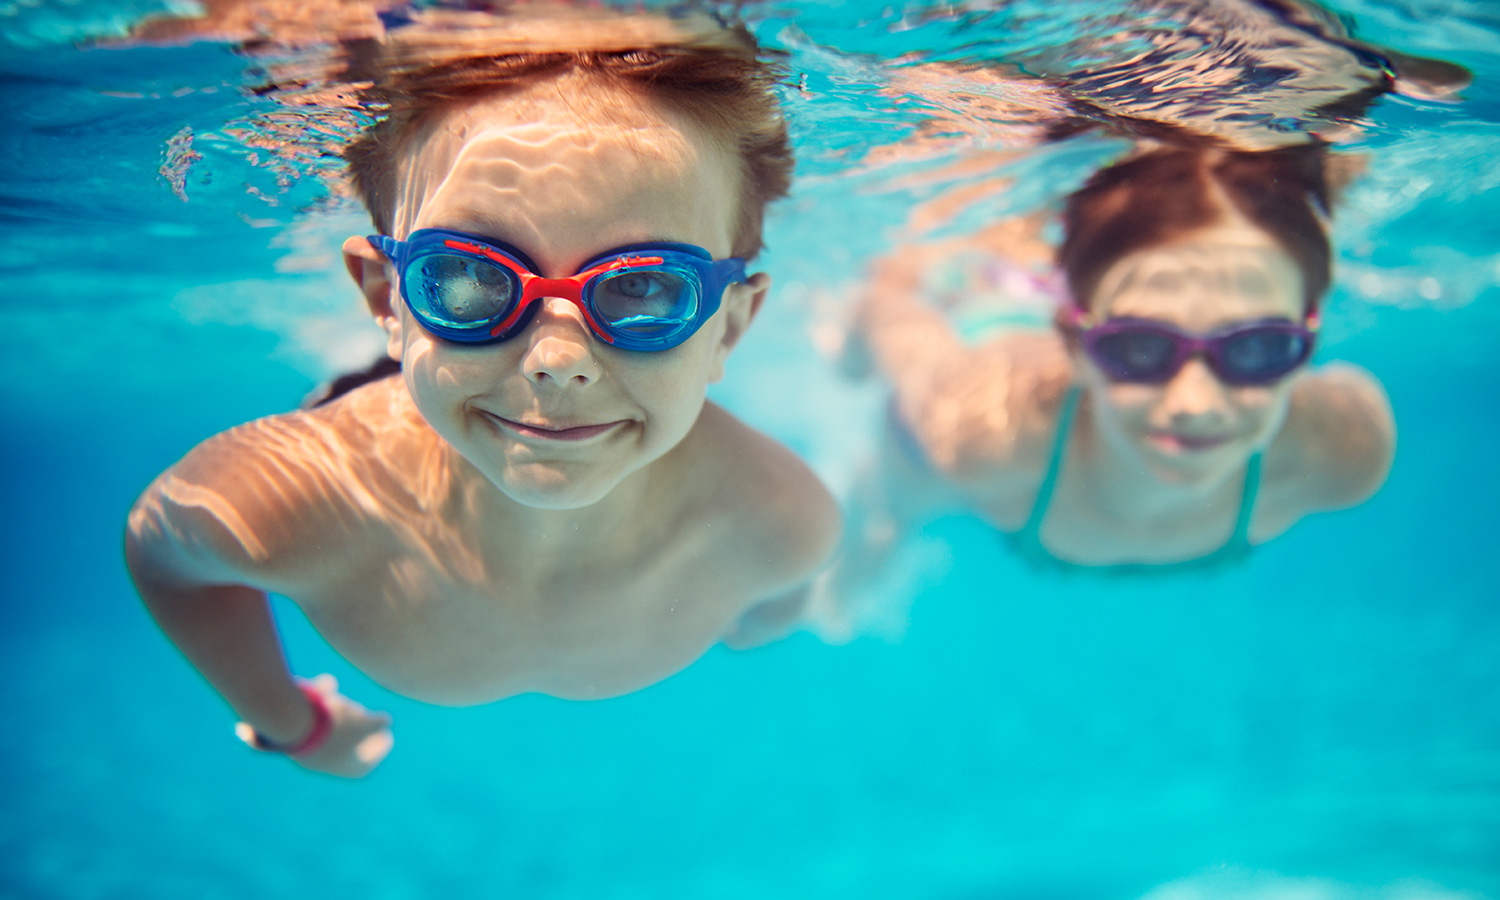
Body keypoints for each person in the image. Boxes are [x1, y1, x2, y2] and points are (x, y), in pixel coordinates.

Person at [124, 6, 839, 778]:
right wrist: (288, 723)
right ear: (385, 301)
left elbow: (778, 602)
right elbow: (163, 557)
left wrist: (763, 612)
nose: (557, 360)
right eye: (466, 275)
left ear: (729, 329)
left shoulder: (780, 525)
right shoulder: (290, 503)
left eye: (644, 288)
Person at [835, 144, 1392, 594]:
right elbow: (890, 311)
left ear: (1307, 345)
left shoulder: (1346, 447)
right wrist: (880, 522)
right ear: (1075, 346)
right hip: (993, 321)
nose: (1196, 403)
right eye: (1140, 348)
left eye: (1257, 349)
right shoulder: (978, 428)